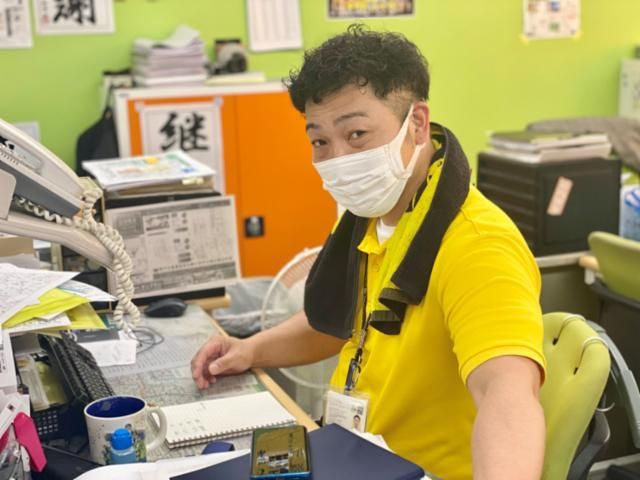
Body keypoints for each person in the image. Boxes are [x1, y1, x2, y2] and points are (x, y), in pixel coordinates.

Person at [192, 24, 545, 480]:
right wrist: (249, 350)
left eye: (356, 133)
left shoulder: (477, 244)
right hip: (354, 456)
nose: (338, 158)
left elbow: (507, 393)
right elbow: (339, 323)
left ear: (417, 124)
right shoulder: (374, 216)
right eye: (320, 141)